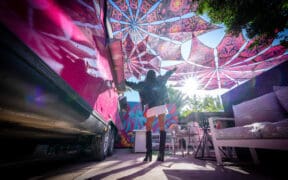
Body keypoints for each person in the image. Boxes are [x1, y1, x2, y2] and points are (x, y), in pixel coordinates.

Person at [125, 67, 177, 162]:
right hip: (161, 106)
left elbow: (134, 85)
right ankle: (161, 155)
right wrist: (172, 70)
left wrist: (125, 82)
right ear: (154, 75)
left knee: (148, 128)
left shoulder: (144, 84)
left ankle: (148, 154)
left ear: (147, 76)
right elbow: (166, 76)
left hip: (152, 107)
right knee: (162, 128)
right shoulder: (159, 81)